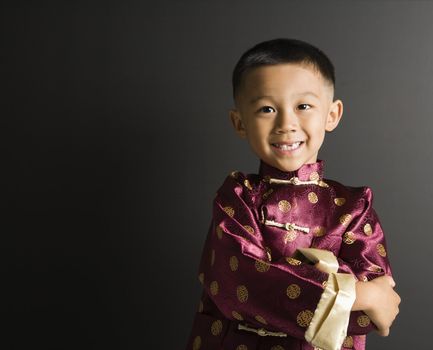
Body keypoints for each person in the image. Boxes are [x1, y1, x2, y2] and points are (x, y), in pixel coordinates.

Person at [185, 38, 400, 350]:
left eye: (303, 106)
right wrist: (354, 293)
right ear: (239, 123)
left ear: (332, 114)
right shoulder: (236, 197)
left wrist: (278, 275)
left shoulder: (353, 208)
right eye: (267, 109)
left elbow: (374, 313)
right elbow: (236, 281)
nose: (286, 123)